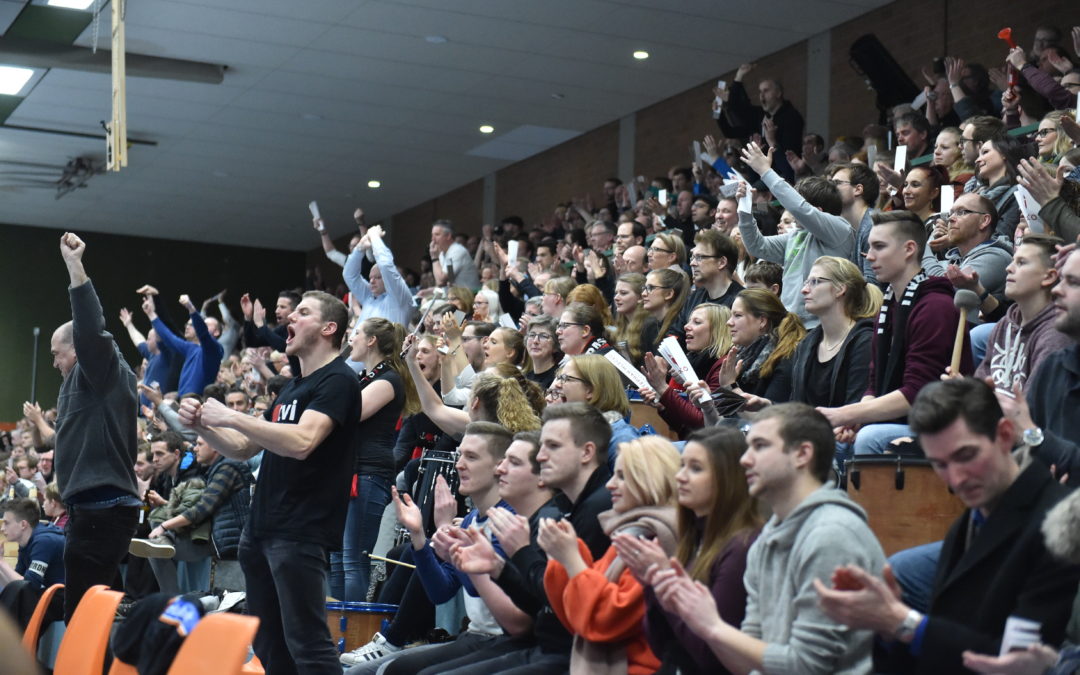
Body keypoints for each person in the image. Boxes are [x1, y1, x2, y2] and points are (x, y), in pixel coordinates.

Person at [817, 378, 1080, 673]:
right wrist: (889, 627)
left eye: (966, 456)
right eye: (940, 465)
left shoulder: (1058, 526)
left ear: (1005, 435)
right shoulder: (971, 521)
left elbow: (1017, 662)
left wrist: (904, 623)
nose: (956, 479)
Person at [177, 290, 361, 674]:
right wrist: (202, 427)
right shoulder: (292, 387)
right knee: (269, 644)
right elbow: (243, 447)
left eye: (302, 312)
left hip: (300, 530)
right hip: (261, 529)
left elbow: (303, 442)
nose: (289, 318)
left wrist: (231, 416)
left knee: (308, 645)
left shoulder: (339, 380)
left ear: (329, 328)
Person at [650, 403, 885, 674]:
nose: (744, 460)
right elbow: (746, 661)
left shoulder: (832, 536)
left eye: (760, 446)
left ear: (802, 454)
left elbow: (808, 667)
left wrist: (712, 627)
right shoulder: (767, 538)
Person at [819, 212, 972, 454]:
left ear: (909, 249)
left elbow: (918, 393)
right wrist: (857, 417)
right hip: (902, 421)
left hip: (940, 426)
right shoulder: (889, 305)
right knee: (830, 439)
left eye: (879, 247)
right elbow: (874, 384)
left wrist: (845, 413)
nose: (869, 256)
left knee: (869, 437)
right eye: (869, 247)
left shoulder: (935, 307)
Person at [616, 428, 761, 674]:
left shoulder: (741, 548)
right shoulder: (692, 537)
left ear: (727, 478)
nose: (680, 477)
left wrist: (664, 581)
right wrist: (653, 584)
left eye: (695, 468)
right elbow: (663, 647)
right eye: (682, 465)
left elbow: (709, 656)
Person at [51, 233, 141, 622]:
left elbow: (90, 328)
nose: (54, 363)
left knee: (82, 619)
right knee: (95, 619)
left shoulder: (102, 371)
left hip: (100, 512)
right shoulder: (83, 384)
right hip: (93, 511)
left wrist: (75, 266)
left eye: (56, 354)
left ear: (77, 348)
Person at [539, 436, 681, 675]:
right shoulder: (631, 532)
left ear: (650, 480)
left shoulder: (660, 539)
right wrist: (562, 558)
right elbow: (578, 620)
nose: (610, 485)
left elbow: (604, 623)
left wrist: (572, 560)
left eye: (622, 477)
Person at [333, 317, 418, 602]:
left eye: (356, 333)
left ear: (371, 341)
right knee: (336, 558)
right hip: (351, 470)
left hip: (368, 473)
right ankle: (334, 623)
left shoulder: (388, 379)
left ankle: (353, 625)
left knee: (353, 559)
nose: (351, 339)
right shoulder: (366, 378)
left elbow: (348, 414)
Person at [737, 142, 855, 326]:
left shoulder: (841, 230)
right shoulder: (797, 236)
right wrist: (744, 209)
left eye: (796, 202)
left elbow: (799, 208)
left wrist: (766, 172)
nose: (790, 210)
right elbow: (756, 246)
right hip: (791, 324)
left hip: (821, 325)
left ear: (817, 211)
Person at [1007, 248, 1080, 483]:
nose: (1057, 290)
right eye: (1061, 279)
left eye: (1073, 282)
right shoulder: (1055, 366)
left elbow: (1029, 433)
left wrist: (1034, 437)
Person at [789, 256, 880, 410]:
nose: (804, 290)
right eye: (806, 282)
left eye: (815, 282)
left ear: (840, 289)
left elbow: (856, 410)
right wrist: (768, 406)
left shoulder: (865, 341)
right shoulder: (806, 343)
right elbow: (796, 408)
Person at [643, 303, 733, 436]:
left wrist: (662, 388)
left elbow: (703, 424)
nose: (686, 326)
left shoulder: (724, 366)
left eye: (697, 322)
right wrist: (663, 407)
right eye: (689, 321)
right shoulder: (693, 362)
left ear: (717, 330)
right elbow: (685, 428)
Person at [922, 192, 1013, 309]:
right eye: (951, 213)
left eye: (961, 212)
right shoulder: (955, 259)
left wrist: (921, 248)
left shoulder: (996, 257)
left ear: (984, 221)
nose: (950, 218)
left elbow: (946, 289)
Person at [716, 63, 805, 181]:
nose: (761, 95)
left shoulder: (791, 117)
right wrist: (739, 77)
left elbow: (790, 154)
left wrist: (771, 141)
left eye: (766, 91)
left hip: (785, 177)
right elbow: (733, 124)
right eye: (760, 91)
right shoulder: (761, 116)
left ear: (778, 93)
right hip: (763, 176)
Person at [720, 288, 805, 406]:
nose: (729, 322)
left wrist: (731, 386)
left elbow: (772, 415)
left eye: (737, 315)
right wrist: (708, 406)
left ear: (762, 321)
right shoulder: (744, 355)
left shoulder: (786, 359)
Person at [553, 355, 640, 469]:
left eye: (566, 378)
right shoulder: (572, 433)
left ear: (590, 390)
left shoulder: (621, 439)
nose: (557, 384)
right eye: (559, 378)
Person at [0, 498, 65, 629]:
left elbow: (28, 587)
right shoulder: (27, 542)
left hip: (64, 598)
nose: (2, 528)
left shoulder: (44, 541)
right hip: (49, 594)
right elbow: (15, 585)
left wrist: (1, 562)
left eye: (6, 523)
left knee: (19, 605)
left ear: (23, 524)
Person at [343, 224, 415, 330]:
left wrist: (375, 237)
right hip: (357, 340)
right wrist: (360, 248)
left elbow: (386, 266)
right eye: (370, 278)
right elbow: (349, 275)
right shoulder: (368, 297)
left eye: (377, 277)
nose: (371, 281)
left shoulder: (400, 298)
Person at [828, 162, 880, 284]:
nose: (830, 188)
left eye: (836, 183)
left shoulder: (873, 227)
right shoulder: (848, 228)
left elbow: (873, 286)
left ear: (858, 189)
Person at [641, 268, 691, 352]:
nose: (643, 294)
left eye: (650, 288)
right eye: (644, 288)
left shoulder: (679, 327)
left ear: (669, 294)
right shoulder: (649, 326)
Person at [612, 273, 650, 367]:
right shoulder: (622, 324)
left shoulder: (649, 325)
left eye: (623, 293)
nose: (616, 298)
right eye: (616, 293)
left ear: (640, 297)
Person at [431, 219, 480, 289]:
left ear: (448, 236)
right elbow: (449, 280)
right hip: (457, 293)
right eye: (432, 235)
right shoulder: (444, 253)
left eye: (437, 235)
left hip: (470, 294)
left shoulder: (457, 251)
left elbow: (441, 281)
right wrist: (429, 291)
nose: (433, 239)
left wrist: (434, 258)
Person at [522, 314, 561, 390]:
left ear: (556, 345)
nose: (535, 341)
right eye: (532, 335)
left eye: (543, 336)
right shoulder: (523, 379)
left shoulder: (558, 379)